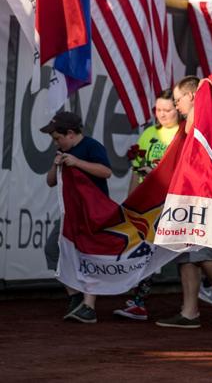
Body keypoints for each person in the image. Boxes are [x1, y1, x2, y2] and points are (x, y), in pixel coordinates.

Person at [156, 77, 212, 329]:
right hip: (188, 193)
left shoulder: (206, 114)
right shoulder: (189, 120)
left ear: (192, 96)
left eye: (178, 101)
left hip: (209, 195)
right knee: (185, 253)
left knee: (203, 252)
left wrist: (199, 100)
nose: (176, 107)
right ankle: (190, 312)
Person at [114, 89, 182, 321]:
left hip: (171, 202)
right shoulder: (149, 133)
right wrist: (130, 202)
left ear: (177, 109)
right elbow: (136, 169)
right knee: (145, 249)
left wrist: (155, 174)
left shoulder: (182, 134)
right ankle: (139, 301)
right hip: (147, 204)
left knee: (190, 254)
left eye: (167, 110)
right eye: (158, 110)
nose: (161, 115)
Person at [42, 111, 112, 324]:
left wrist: (77, 162)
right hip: (70, 213)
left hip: (93, 212)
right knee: (53, 249)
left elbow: (106, 172)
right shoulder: (61, 151)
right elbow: (50, 181)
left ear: (70, 134)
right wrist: (56, 163)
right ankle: (75, 295)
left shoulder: (92, 147)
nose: (56, 142)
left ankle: (89, 306)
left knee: (89, 255)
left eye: (57, 138)